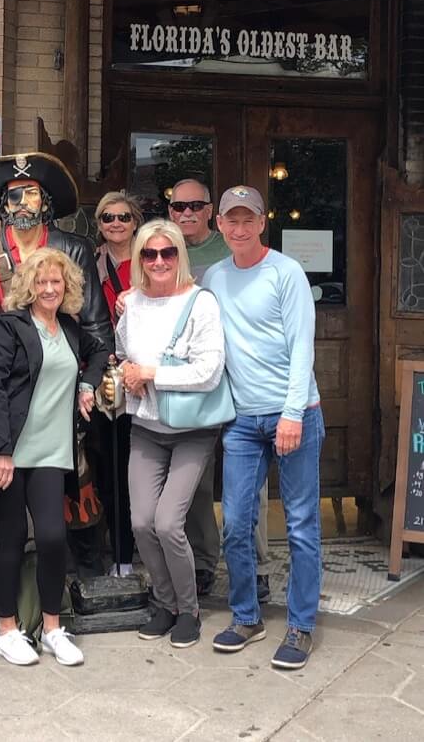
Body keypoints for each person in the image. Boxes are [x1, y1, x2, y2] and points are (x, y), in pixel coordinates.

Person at [0, 152, 113, 592]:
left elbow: (94, 322)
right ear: (2, 203)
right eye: (14, 195)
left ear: (45, 199)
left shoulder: (73, 248)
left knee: (77, 472)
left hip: (63, 377)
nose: (22, 202)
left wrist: (92, 377)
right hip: (5, 379)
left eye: (30, 192)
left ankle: (86, 564)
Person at [207, 185, 324, 670]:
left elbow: (303, 345)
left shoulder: (286, 272)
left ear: (261, 223)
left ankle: (300, 625)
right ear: (219, 225)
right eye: (230, 219)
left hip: (294, 412)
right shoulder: (214, 276)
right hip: (241, 419)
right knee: (235, 522)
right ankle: (246, 615)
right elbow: (178, 302)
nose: (238, 228)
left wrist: (293, 412)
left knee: (299, 524)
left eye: (247, 219)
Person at [0, 248, 109, 666]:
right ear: (28, 287)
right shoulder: (9, 326)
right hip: (14, 453)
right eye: (42, 282)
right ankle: (7, 629)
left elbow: (99, 354)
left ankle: (53, 629)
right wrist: (0, 451)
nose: (50, 288)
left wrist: (88, 386)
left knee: (54, 539)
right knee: (12, 538)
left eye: (57, 281)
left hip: (54, 453)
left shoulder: (71, 329)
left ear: (67, 285)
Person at [115, 219, 226, 649]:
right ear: (140, 258)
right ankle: (164, 603)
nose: (159, 261)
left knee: (168, 523)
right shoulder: (134, 304)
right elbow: (123, 353)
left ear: (180, 255)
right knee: (142, 522)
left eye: (167, 252)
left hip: (191, 428)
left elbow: (209, 370)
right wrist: (126, 372)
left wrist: (151, 374)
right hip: (146, 426)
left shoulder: (201, 303)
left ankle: (189, 609)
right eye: (149, 253)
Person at [168, 179, 271, 603]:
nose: (187, 212)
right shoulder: (164, 249)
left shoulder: (231, 250)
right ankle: (204, 563)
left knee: (251, 486)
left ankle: (258, 566)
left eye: (196, 205)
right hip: (196, 385)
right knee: (195, 483)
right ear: (169, 210)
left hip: (243, 382)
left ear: (212, 212)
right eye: (179, 206)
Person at [93, 191, 144, 577]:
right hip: (101, 376)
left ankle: (136, 550)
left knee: (136, 468)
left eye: (123, 217)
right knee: (105, 467)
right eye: (107, 217)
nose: (115, 223)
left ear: (135, 221)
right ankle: (116, 552)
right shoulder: (89, 264)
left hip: (141, 377)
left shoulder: (153, 259)